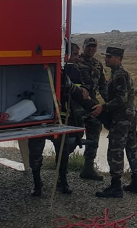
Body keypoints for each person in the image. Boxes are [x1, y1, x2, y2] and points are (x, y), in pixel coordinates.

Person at [28, 62, 94, 197]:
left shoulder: (73, 70)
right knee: (35, 152)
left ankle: (62, 181)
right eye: (73, 54)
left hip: (62, 120)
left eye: (75, 55)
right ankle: (36, 183)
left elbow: (81, 92)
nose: (74, 58)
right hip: (40, 118)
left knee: (63, 153)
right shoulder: (39, 68)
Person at [91, 46, 137, 198]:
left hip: (122, 117)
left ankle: (116, 186)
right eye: (106, 56)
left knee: (116, 149)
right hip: (129, 115)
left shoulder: (120, 74)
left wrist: (103, 107)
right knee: (132, 147)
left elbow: (121, 99)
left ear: (118, 59)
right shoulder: (117, 73)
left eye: (109, 57)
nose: (106, 59)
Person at [77, 37, 107, 181]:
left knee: (95, 129)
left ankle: (88, 169)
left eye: (93, 46)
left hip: (92, 104)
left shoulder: (98, 64)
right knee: (70, 137)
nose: (91, 49)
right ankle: (61, 172)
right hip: (76, 104)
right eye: (88, 46)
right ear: (83, 47)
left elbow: (103, 86)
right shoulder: (76, 61)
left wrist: (110, 104)